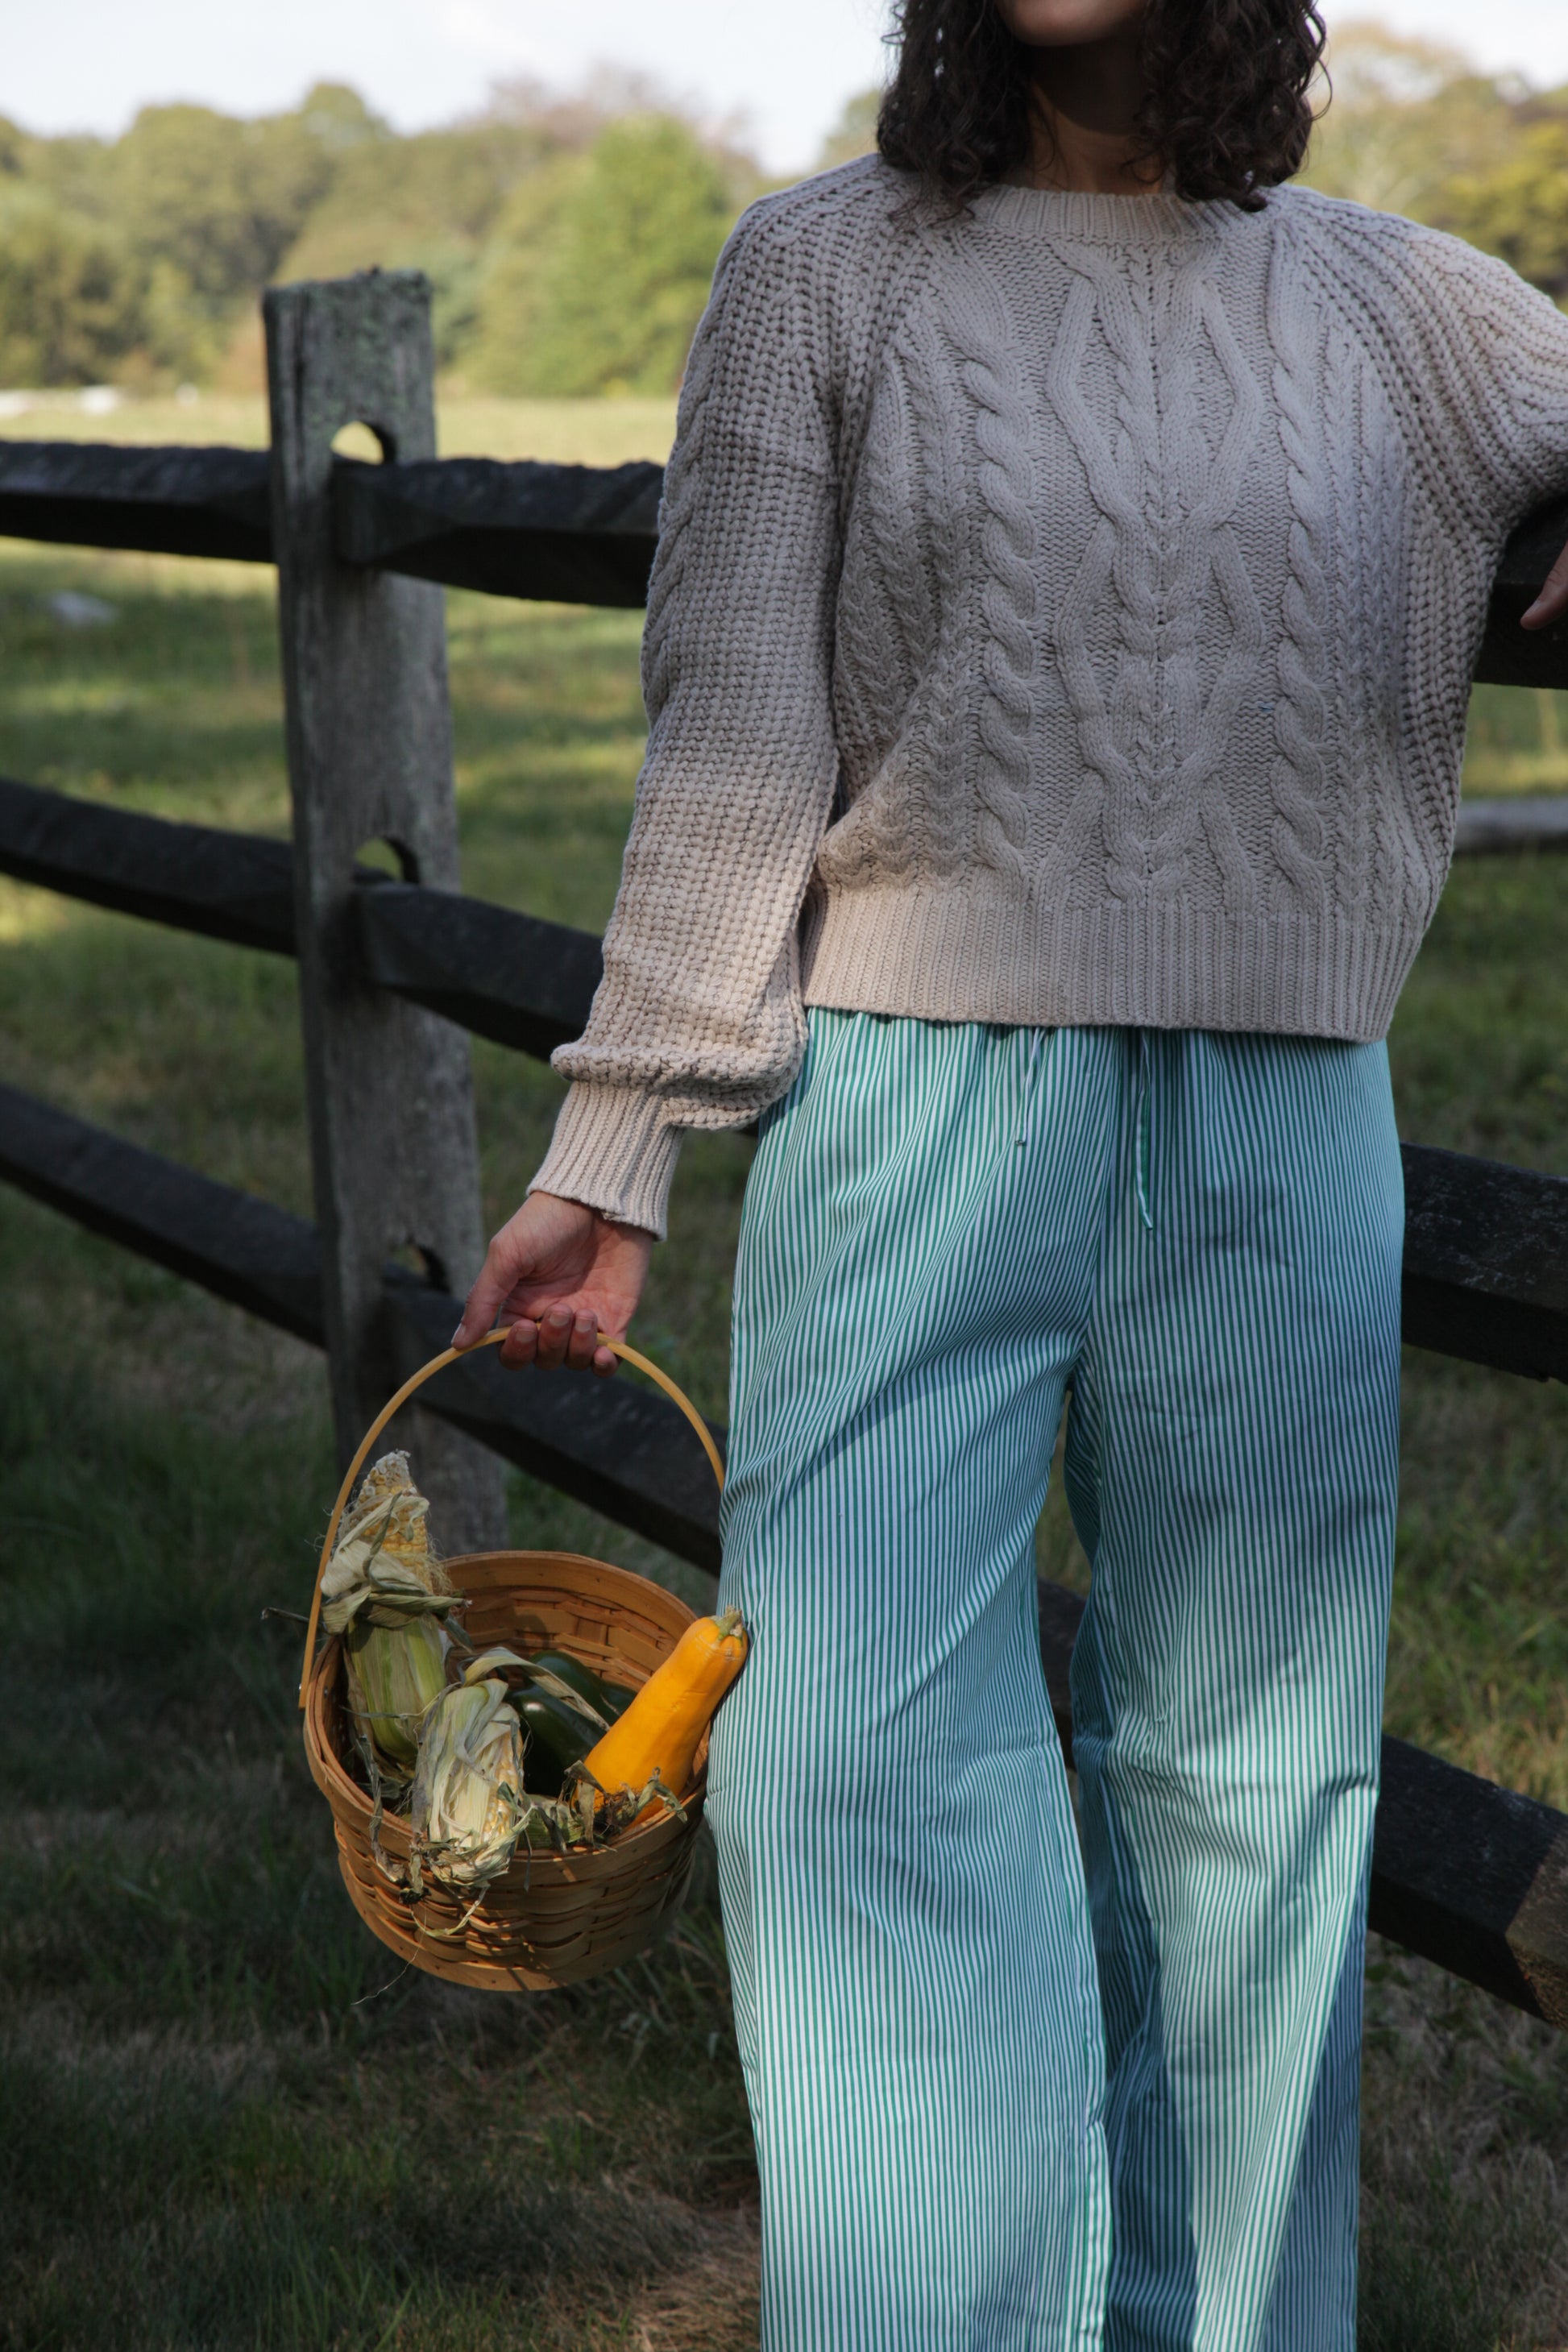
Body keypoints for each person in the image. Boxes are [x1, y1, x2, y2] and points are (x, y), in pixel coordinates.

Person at [454, 1, 1568, 2342]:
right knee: (849, 1767)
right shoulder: (820, 272)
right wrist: (618, 1140)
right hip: (901, 1108)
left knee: (1250, 1804)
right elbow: (733, 725)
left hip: (1281, 1126)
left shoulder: (1409, 307)